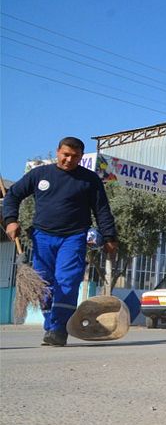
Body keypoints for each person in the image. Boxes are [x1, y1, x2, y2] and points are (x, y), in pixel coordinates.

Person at [3, 137, 118, 346]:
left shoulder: (89, 180)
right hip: (42, 237)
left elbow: (102, 210)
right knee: (44, 284)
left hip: (74, 238)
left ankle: (59, 329)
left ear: (81, 157)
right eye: (65, 154)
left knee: (67, 281)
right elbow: (13, 195)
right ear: (58, 152)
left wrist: (110, 236)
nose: (69, 160)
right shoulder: (39, 174)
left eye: (75, 156)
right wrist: (10, 220)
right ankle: (50, 326)